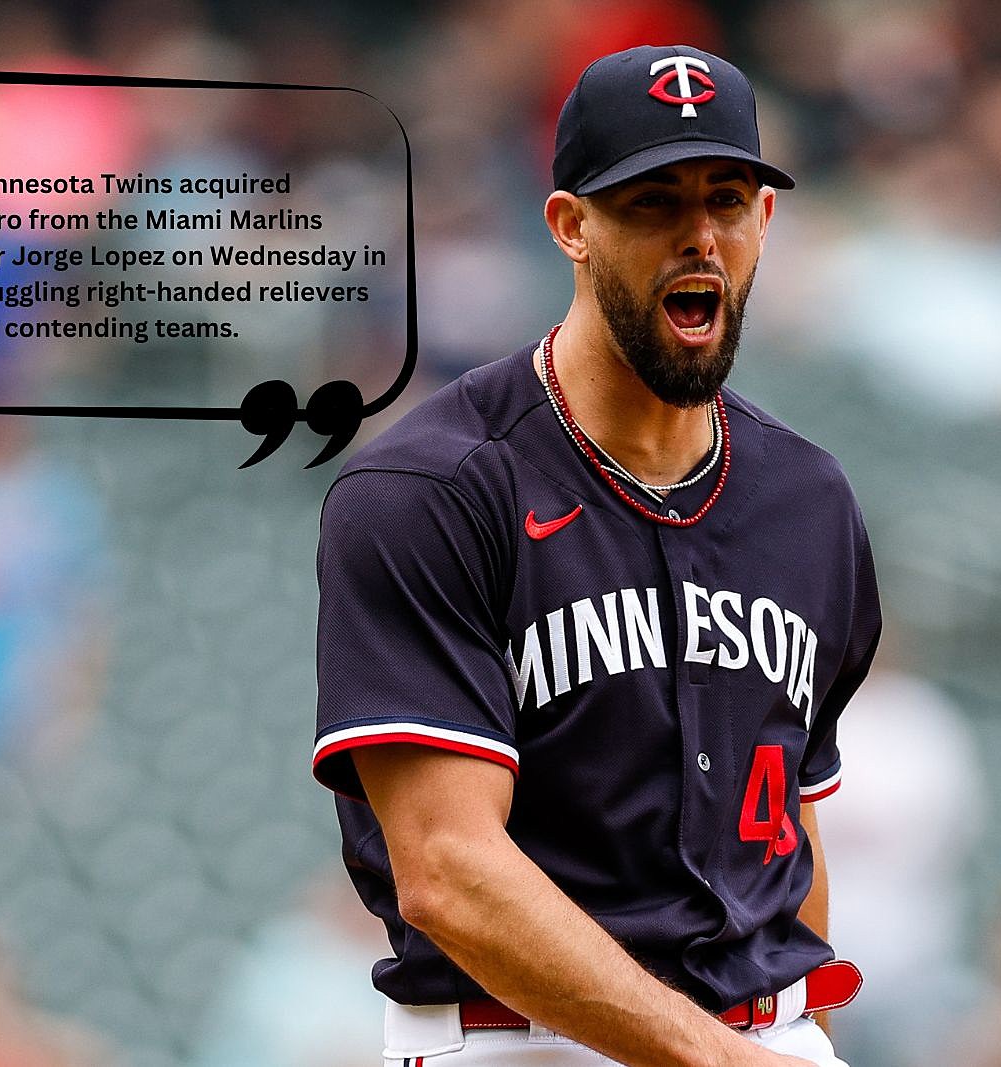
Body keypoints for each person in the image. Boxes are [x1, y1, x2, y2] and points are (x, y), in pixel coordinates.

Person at [313, 44, 882, 1067]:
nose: (698, 235)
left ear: (764, 219)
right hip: (516, 1039)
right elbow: (446, 870)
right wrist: (715, 1058)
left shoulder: (810, 501)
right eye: (653, 202)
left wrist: (802, 1037)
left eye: (726, 196)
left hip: (769, 1037)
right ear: (572, 225)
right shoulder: (432, 489)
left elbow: (793, 833)